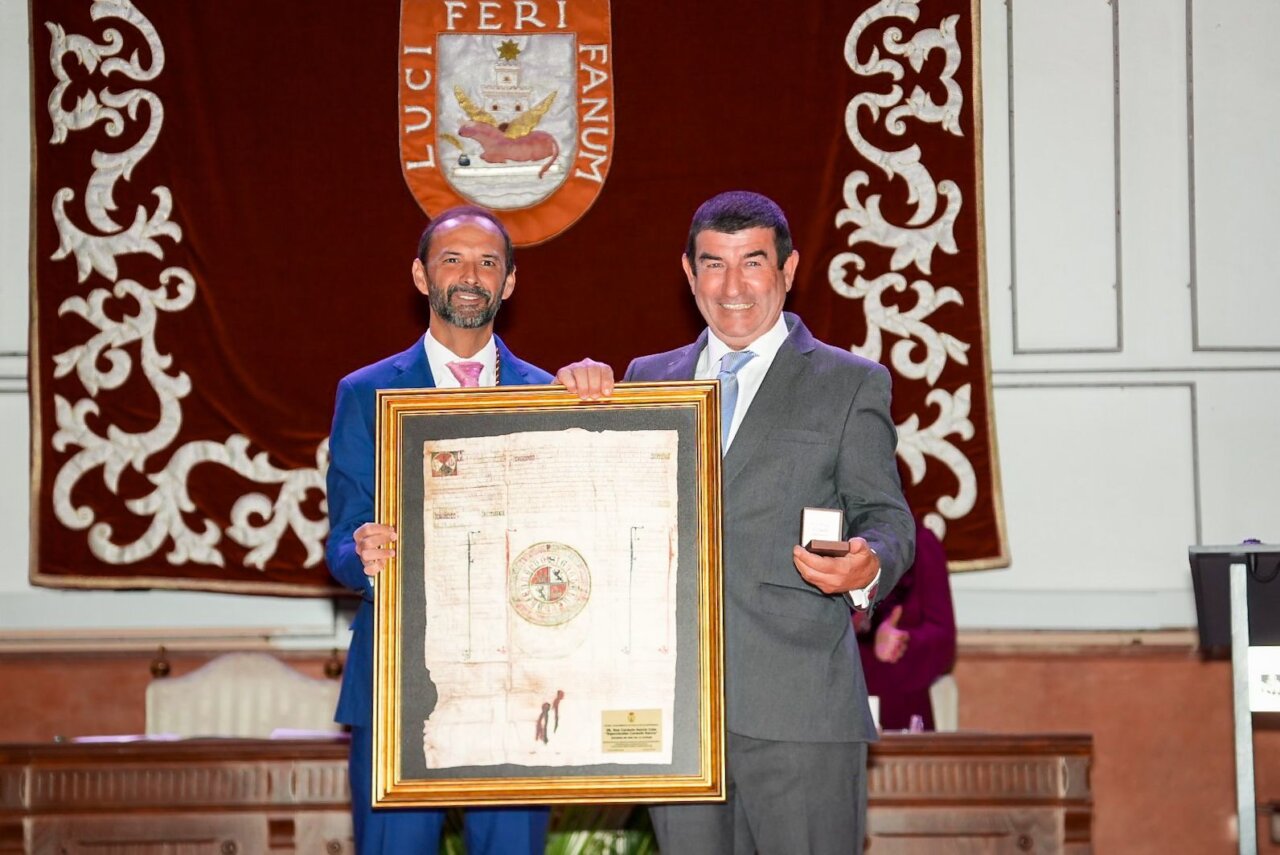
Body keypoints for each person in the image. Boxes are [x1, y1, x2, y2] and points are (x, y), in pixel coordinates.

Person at [558, 190, 915, 855]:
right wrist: (574, 406)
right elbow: (597, 513)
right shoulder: (642, 378)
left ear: (788, 269)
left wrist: (870, 560)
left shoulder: (848, 382)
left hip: (798, 708)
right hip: (673, 712)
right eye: (713, 265)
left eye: (752, 263)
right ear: (689, 274)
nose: (732, 286)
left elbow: (887, 516)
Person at [325, 206, 551, 854]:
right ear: (422, 276)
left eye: (488, 262)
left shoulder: (547, 392)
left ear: (509, 282)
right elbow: (342, 537)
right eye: (452, 259)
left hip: (518, 685)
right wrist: (359, 553)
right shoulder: (365, 392)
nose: (470, 275)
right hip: (400, 682)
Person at [857, 519, 957, 731]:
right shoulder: (829, 538)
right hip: (837, 696)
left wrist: (903, 641)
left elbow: (943, 639)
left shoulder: (920, 542)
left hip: (896, 698)